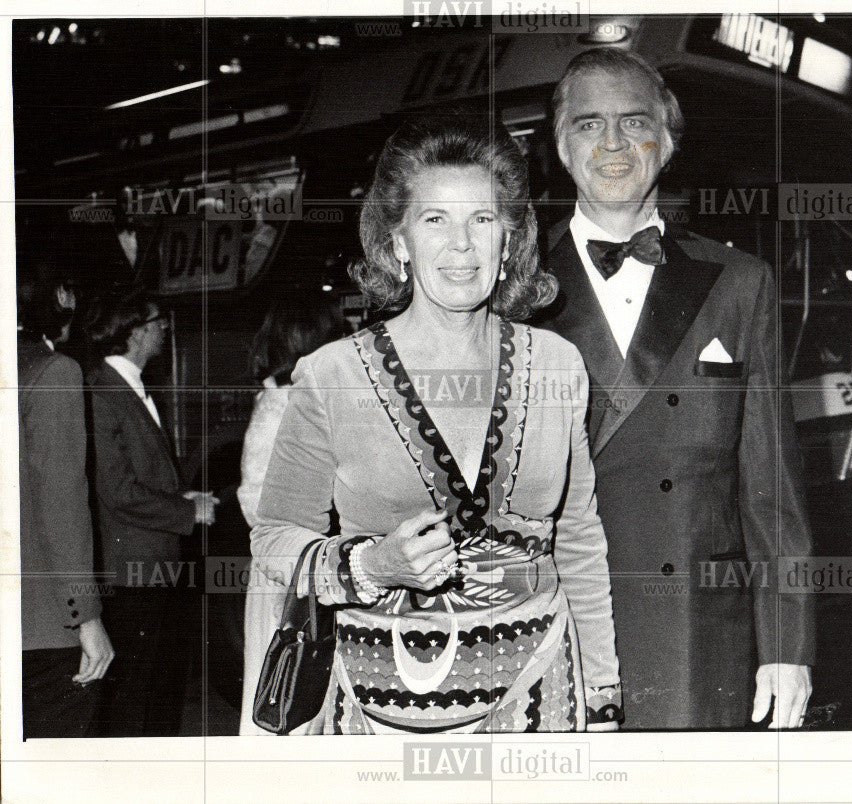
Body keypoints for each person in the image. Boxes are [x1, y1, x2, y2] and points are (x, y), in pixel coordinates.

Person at [251, 114, 621, 733]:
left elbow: (578, 537)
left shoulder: (558, 365)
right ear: (398, 243)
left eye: (482, 220)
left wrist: (603, 694)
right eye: (434, 220)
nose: (461, 245)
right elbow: (274, 539)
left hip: (539, 696)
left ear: (509, 242)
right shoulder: (331, 375)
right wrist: (369, 566)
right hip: (382, 706)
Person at [537, 48, 815, 729]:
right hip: (553, 631)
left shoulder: (739, 282)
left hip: (698, 634)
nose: (612, 143)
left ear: (668, 140)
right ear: (561, 145)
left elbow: (772, 486)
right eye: (588, 124)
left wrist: (787, 643)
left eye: (634, 122)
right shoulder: (511, 288)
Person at [84, 289, 217, 736]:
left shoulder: (132, 386)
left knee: (159, 685)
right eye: (159, 321)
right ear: (136, 331)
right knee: (133, 693)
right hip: (130, 571)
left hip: (154, 562)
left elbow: (140, 473)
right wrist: (187, 512)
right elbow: (116, 489)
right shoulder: (101, 392)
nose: (165, 328)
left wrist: (184, 496)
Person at [237, 296, 344, 735]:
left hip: (309, 574)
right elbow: (257, 502)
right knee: (286, 710)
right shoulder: (282, 406)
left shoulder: (296, 401)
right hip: (292, 581)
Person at [17, 270, 114, 738]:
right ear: (57, 297)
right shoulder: (52, 371)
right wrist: (87, 617)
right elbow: (62, 506)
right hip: (39, 625)